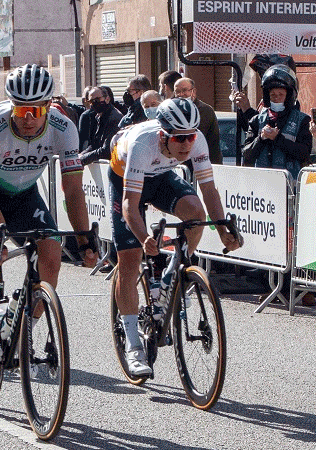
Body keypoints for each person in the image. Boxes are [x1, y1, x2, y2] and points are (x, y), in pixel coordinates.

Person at [0, 64, 98, 357]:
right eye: (22, 111)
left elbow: (72, 190)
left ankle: (26, 329)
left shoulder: (64, 128)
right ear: (12, 107)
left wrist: (85, 239)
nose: (29, 119)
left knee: (51, 253)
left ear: (49, 105)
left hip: (24, 194)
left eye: (36, 110)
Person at [110, 98, 240, 377]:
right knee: (130, 258)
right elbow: (131, 205)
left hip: (160, 176)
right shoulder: (144, 143)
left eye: (190, 137)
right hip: (125, 178)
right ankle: (133, 346)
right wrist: (144, 237)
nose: (186, 144)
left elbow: (209, 191)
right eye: (179, 139)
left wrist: (222, 229)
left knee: (195, 211)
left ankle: (173, 274)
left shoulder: (198, 140)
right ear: (163, 135)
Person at [241, 64, 312, 178]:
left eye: (280, 95)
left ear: (288, 96)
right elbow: (246, 153)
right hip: (262, 183)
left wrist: (278, 139)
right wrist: (261, 138)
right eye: (273, 95)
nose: (276, 98)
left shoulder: (302, 120)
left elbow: (304, 153)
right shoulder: (256, 120)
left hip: (289, 184)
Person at [174, 76, 222, 165]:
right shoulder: (171, 110)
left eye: (184, 90)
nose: (181, 94)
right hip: (178, 165)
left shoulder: (205, 110)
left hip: (200, 163)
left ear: (193, 91)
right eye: (177, 92)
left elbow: (212, 143)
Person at [77, 85, 123, 166]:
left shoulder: (114, 118)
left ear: (107, 99)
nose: (94, 103)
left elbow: (106, 150)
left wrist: (83, 159)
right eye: (91, 101)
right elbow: (96, 144)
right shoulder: (98, 117)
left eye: (97, 99)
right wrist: (82, 155)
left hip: (115, 167)